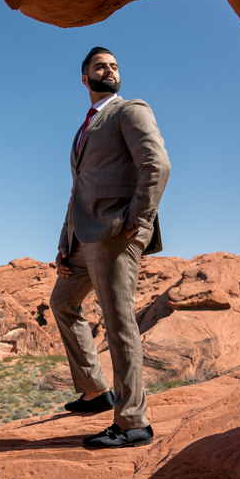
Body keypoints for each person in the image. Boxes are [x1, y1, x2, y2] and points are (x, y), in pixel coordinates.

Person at [50, 46, 170, 448]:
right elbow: (78, 191)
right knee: (63, 302)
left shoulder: (130, 110)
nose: (110, 70)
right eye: (101, 66)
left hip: (116, 232)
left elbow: (157, 164)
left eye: (115, 65)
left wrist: (137, 221)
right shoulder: (86, 127)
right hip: (83, 237)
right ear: (84, 78)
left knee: (119, 324)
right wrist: (65, 244)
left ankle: (133, 422)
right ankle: (95, 390)